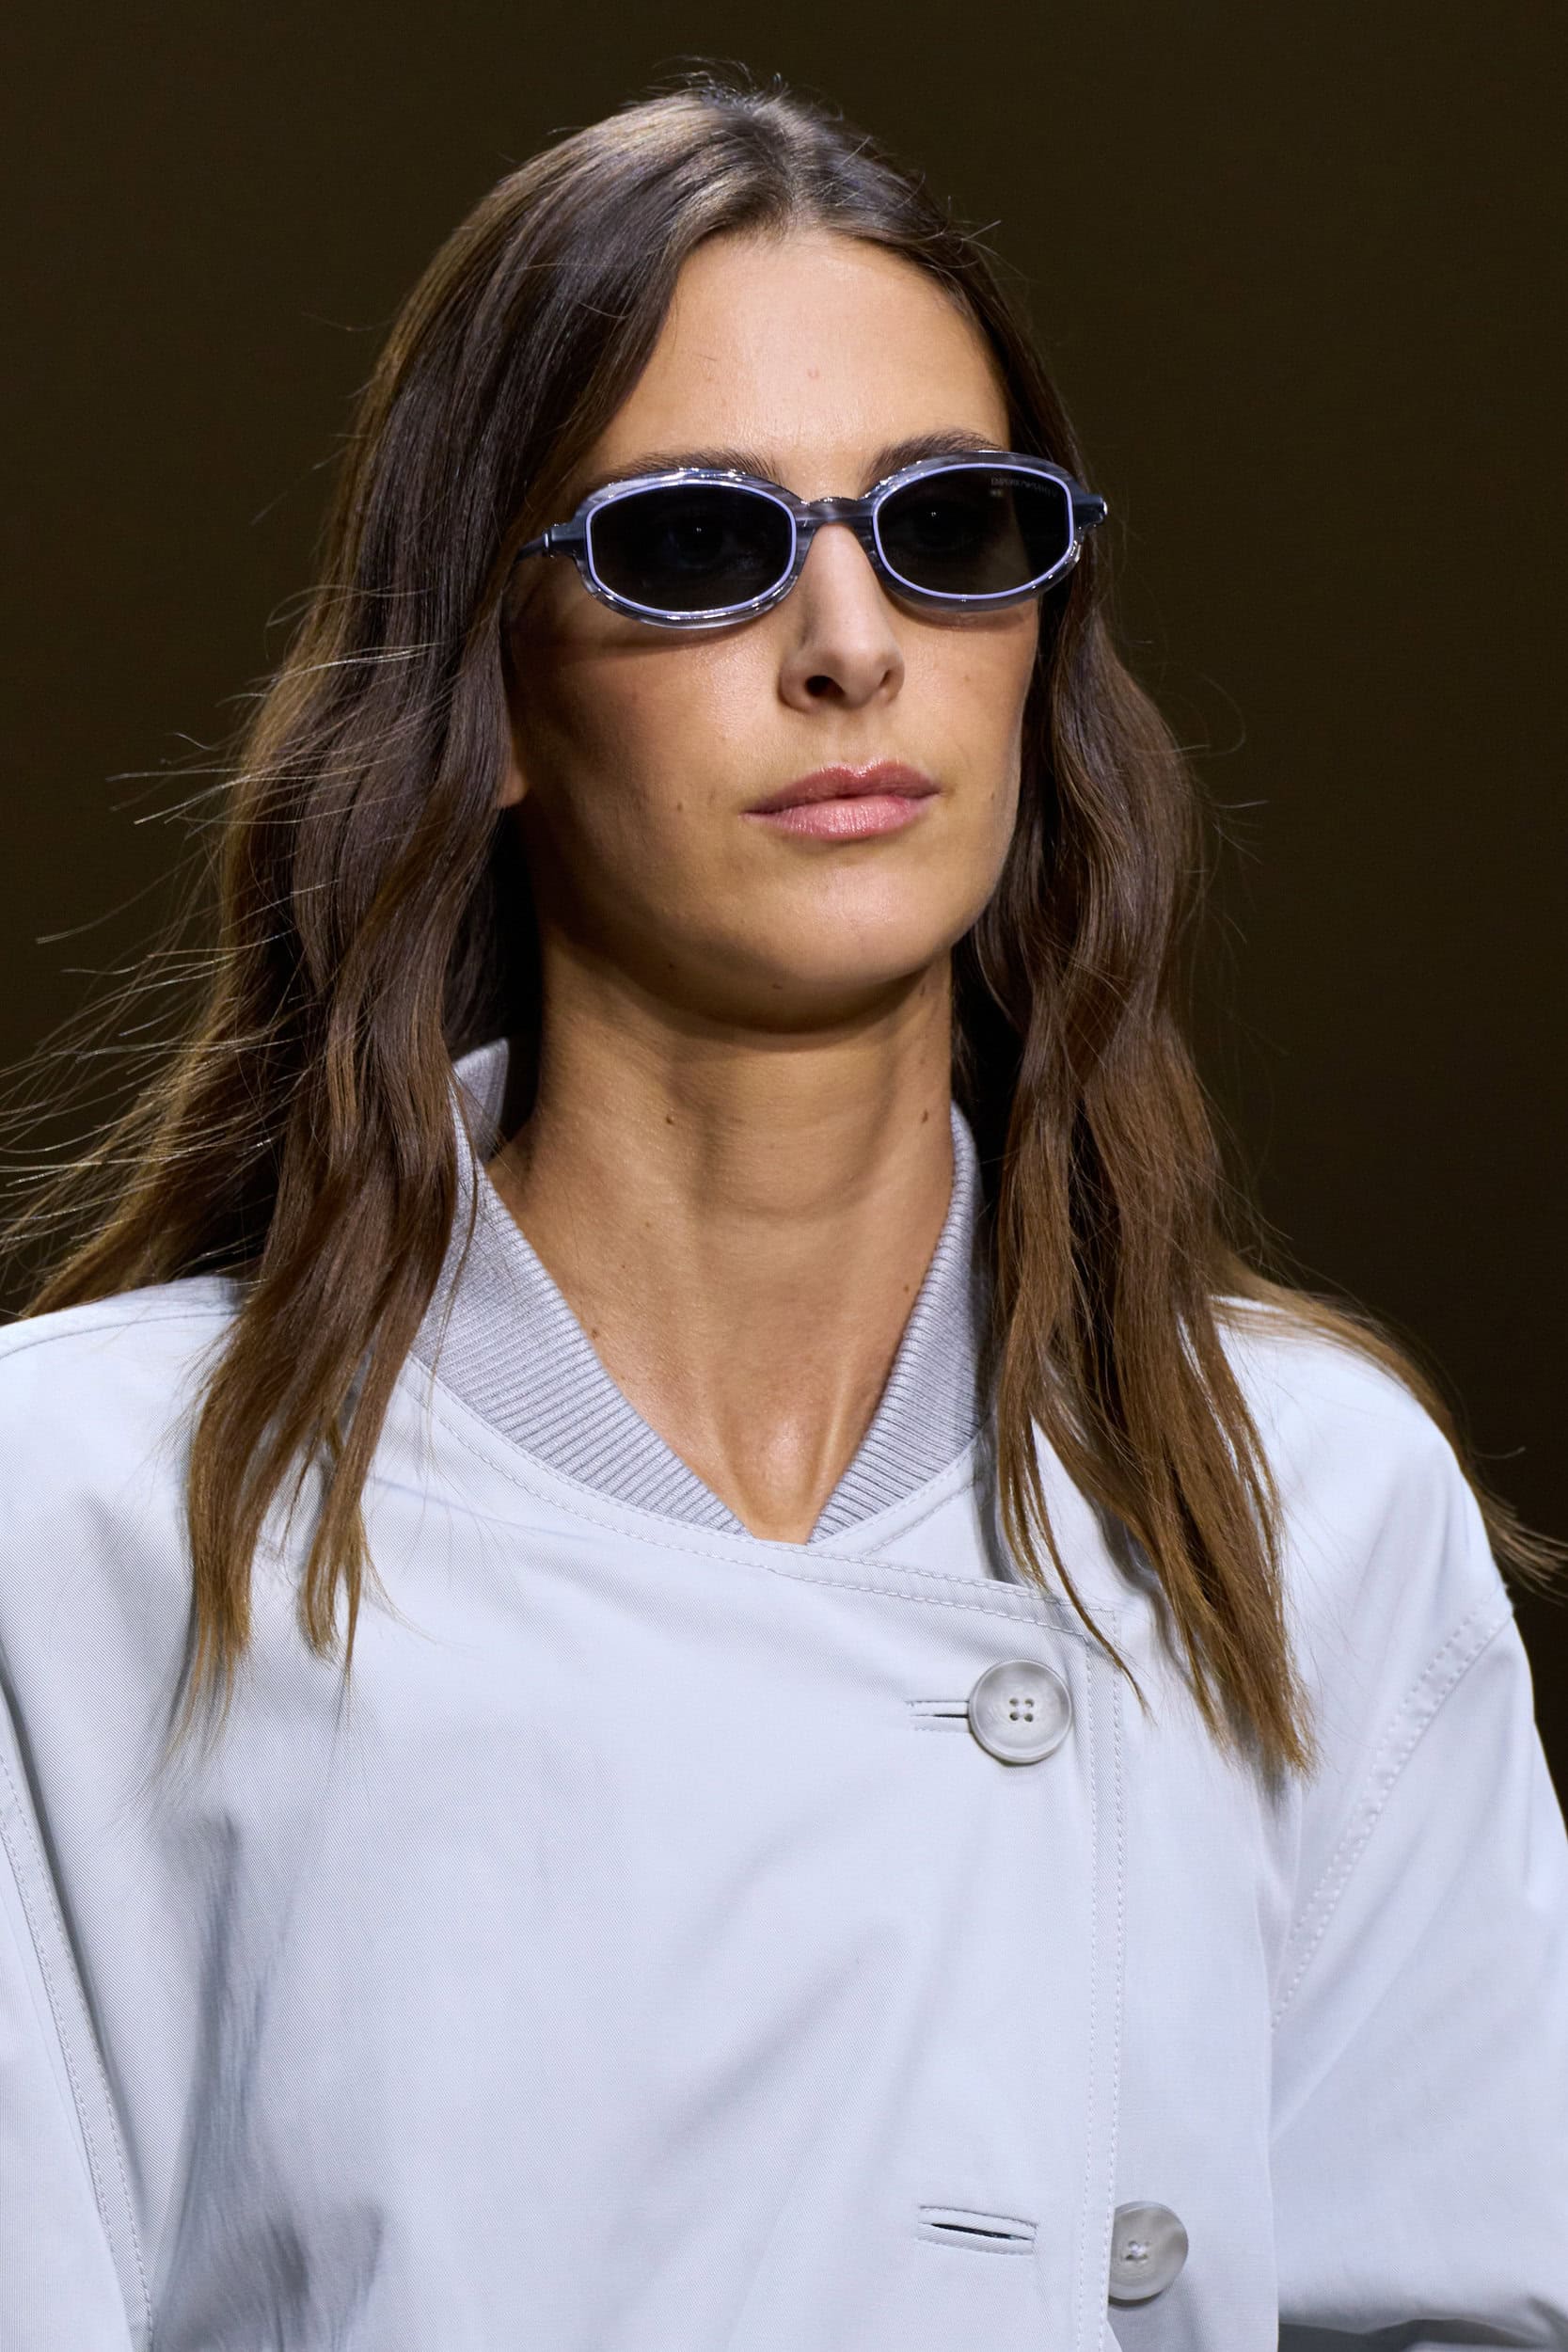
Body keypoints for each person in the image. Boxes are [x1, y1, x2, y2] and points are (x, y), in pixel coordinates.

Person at [1, 64, 1564, 2352]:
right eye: (697, 543)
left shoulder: (1305, 1506)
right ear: (486, 693)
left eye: (950, 526)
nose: (851, 642)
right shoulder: (81, 1518)